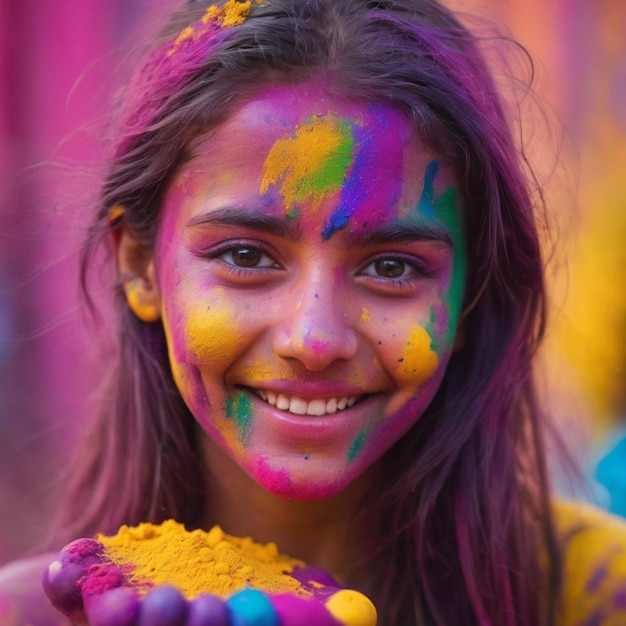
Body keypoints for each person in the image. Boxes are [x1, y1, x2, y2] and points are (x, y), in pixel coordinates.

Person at [2, 0, 626, 624]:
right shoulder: (38, 613)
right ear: (138, 265)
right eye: (246, 255)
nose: (314, 338)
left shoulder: (597, 595)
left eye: (391, 267)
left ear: (471, 296)